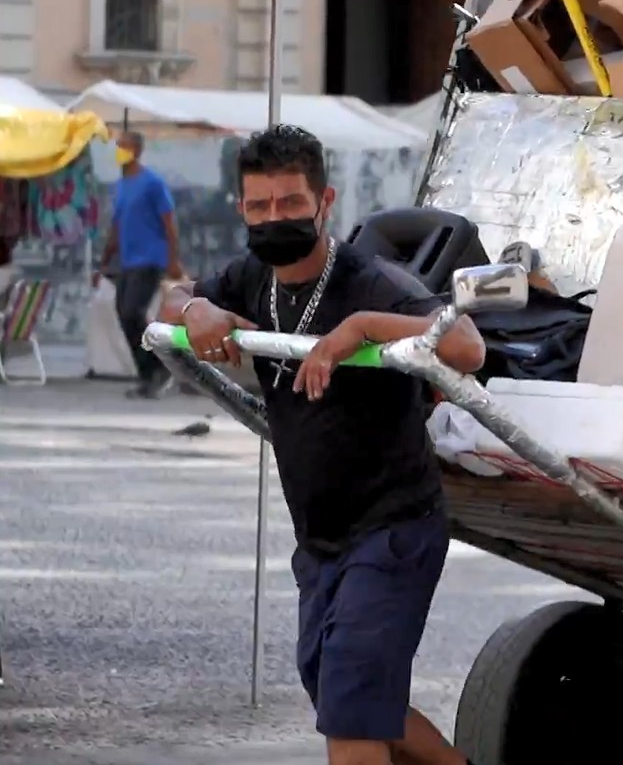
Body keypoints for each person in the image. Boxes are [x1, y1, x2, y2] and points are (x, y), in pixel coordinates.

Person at [159, 126, 485, 765]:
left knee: (351, 706)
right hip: (320, 542)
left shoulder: (369, 282)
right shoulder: (252, 276)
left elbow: (467, 345)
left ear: (324, 202)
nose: (274, 219)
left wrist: (357, 330)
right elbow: (176, 298)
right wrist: (194, 310)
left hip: (393, 531)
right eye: (259, 207)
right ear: (242, 210)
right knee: (339, 691)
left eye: (289, 205)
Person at [100, 131, 183, 398]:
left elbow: (170, 223)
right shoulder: (122, 184)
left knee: (132, 311)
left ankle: (161, 367)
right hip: (128, 260)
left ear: (136, 150)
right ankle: (149, 373)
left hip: (150, 258)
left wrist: (173, 259)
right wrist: (104, 261)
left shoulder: (152, 183)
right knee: (124, 315)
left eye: (124, 146)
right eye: (118, 146)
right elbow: (117, 225)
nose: (119, 150)